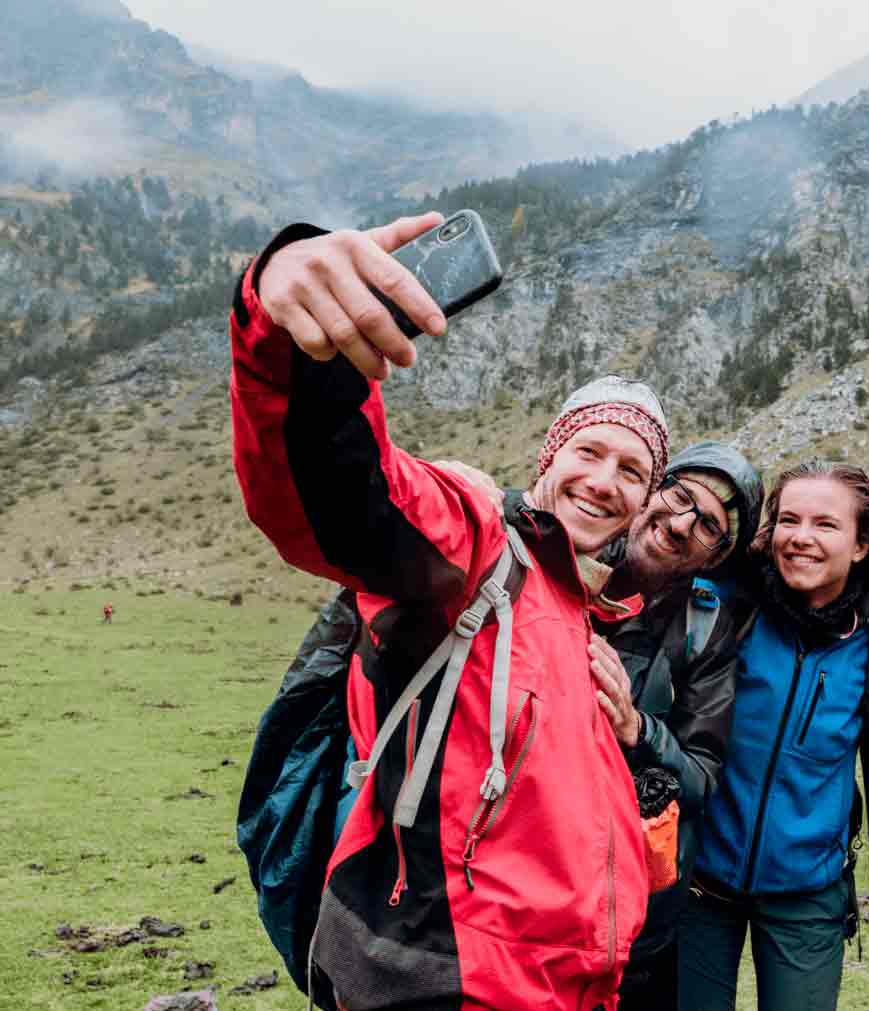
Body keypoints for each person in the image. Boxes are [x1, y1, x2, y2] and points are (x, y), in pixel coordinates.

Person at [229, 212, 667, 1010]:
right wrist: (294, 334)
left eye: (632, 470)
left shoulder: (584, 613)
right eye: (589, 452)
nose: (605, 481)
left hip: (571, 989)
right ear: (550, 455)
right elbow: (343, 495)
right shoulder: (474, 544)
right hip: (445, 982)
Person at [450, 442, 766, 1009]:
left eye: (709, 526)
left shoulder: (705, 630)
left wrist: (638, 730)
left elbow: (701, 777)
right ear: (650, 492)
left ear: (717, 556)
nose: (681, 523)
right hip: (506, 886)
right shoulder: (553, 555)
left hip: (629, 914)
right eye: (680, 495)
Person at [679, 462, 869, 1011]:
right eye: (789, 520)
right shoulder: (727, 604)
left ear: (860, 546)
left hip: (808, 893)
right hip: (700, 878)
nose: (801, 537)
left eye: (825, 524)